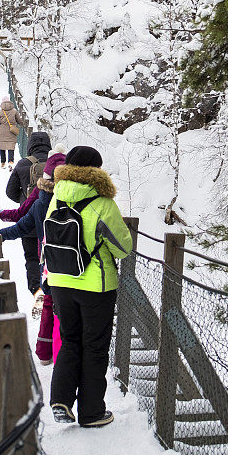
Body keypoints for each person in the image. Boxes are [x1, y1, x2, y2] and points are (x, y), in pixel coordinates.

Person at [46, 146, 132, 428]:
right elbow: (123, 248)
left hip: (60, 281)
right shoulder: (102, 203)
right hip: (96, 287)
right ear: (97, 170)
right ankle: (92, 412)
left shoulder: (56, 197)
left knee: (70, 341)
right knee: (94, 348)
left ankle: (60, 400)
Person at [0, 149, 67, 366]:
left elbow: (21, 226)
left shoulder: (39, 202)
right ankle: (62, 352)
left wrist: (0, 235)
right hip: (74, 265)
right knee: (65, 309)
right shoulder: (75, 202)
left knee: (49, 303)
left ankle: (45, 353)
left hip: (47, 263)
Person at [6, 132, 53, 296]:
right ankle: (52, 292)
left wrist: (25, 201)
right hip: (54, 220)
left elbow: (10, 192)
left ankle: (36, 290)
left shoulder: (22, 164)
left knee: (32, 257)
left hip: (30, 221)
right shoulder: (58, 164)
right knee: (53, 255)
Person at [0, 95, 20, 170]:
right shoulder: (14, 111)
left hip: (2, 132)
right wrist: (22, 123)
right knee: (11, 147)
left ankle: (3, 163)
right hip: (11, 131)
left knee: (2, 147)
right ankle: (10, 162)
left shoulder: (0, 112)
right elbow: (19, 120)